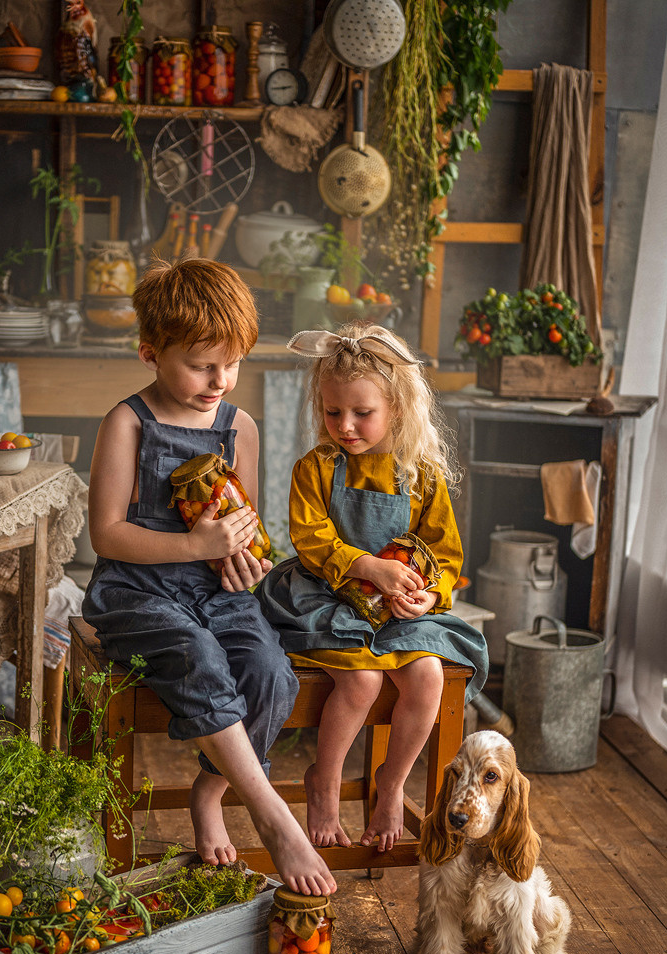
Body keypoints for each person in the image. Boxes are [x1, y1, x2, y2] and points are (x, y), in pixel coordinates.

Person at [82, 258, 336, 896]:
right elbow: (106, 535)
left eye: (233, 363)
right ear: (151, 353)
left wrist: (240, 557)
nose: (219, 380)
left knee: (270, 673)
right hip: (137, 591)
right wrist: (194, 543)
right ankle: (271, 813)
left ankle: (212, 788)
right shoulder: (127, 423)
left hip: (216, 592)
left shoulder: (238, 427)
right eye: (201, 365)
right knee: (197, 653)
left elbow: (241, 523)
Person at [257, 324, 488, 853]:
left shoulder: (420, 475)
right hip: (326, 595)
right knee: (361, 681)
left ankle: (392, 782)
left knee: (427, 677)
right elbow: (311, 539)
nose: (345, 425)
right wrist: (367, 567)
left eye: (362, 412)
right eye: (332, 411)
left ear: (397, 409)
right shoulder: (317, 467)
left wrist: (428, 595)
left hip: (395, 609)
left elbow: (444, 555)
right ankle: (325, 780)